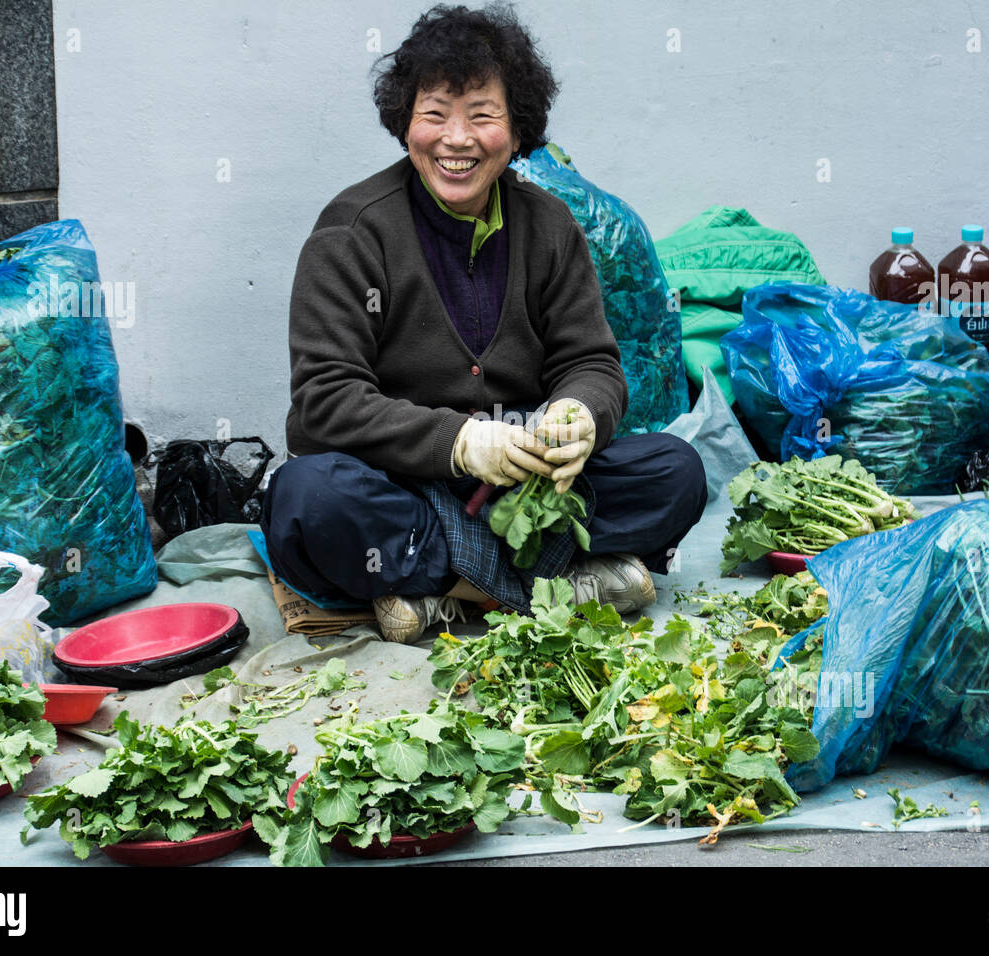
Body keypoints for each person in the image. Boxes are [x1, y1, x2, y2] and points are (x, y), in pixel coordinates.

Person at [261, 3, 707, 643]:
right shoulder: (352, 231)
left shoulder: (550, 227)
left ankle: (437, 591)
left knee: (675, 470)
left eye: (482, 115)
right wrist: (462, 443)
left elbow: (593, 363)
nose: (456, 139)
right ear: (404, 123)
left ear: (517, 128)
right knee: (308, 499)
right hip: (402, 486)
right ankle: (555, 585)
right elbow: (325, 401)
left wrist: (580, 414)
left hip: (525, 487)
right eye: (434, 113)